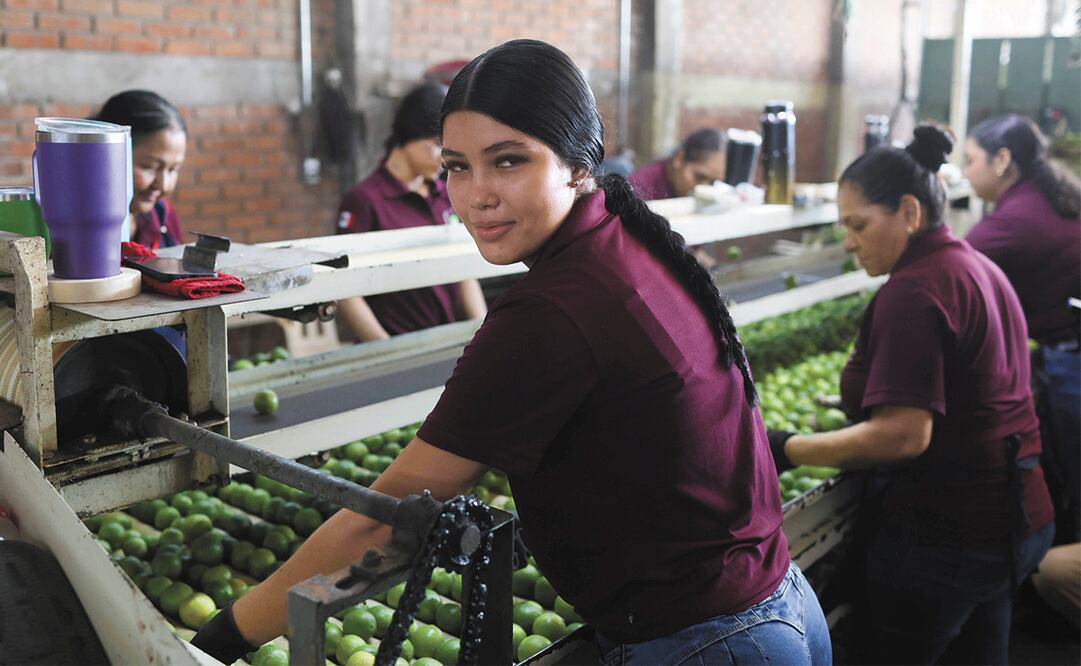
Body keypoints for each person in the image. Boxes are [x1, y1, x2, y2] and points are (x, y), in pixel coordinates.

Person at [193, 39, 831, 665]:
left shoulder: (551, 313)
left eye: (508, 161)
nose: (475, 197)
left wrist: (223, 637)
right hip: (778, 604)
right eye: (456, 167)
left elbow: (380, 518)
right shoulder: (621, 241)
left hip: (708, 644)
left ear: (578, 163)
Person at [768, 126, 1055, 664]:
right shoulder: (976, 266)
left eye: (858, 225)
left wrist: (787, 447)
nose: (849, 241)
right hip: (1017, 514)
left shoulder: (915, 290)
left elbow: (903, 436)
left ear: (908, 210)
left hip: (952, 535)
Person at [963, 114, 1081, 542]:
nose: (965, 172)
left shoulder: (1011, 221)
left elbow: (950, 270)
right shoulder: (1055, 196)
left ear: (1002, 160)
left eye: (971, 160)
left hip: (1068, 365)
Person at [335, 82, 487, 341]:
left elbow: (464, 272)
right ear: (411, 137)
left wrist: (483, 334)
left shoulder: (445, 193)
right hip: (391, 347)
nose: (445, 159)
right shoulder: (365, 200)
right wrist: (386, 349)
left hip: (446, 342)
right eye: (439, 145)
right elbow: (343, 286)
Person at [96, 90, 187, 249]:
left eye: (173, 170)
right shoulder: (72, 229)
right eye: (150, 167)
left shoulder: (161, 214)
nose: (164, 185)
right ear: (108, 156)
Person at [628, 127, 726, 200]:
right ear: (679, 158)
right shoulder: (637, 189)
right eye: (699, 177)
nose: (703, 189)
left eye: (712, 183)